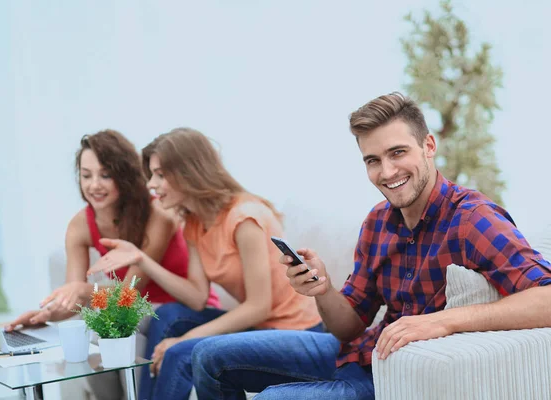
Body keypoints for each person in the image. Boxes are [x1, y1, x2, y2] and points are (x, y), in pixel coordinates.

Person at [189, 92, 551, 399]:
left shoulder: (473, 218)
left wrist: (444, 322)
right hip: (359, 350)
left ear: (428, 146)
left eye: (397, 153)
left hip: (390, 375)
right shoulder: (378, 222)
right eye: (373, 160)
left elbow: (546, 298)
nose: (387, 171)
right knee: (206, 356)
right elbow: (349, 325)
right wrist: (323, 289)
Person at [86, 127, 323, 400]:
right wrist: (142, 259)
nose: (151, 184)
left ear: (189, 172)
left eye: (160, 175)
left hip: (295, 333)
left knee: (180, 352)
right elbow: (197, 298)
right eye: (152, 175)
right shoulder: (195, 223)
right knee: (170, 314)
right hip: (258, 330)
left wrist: (184, 339)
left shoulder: (245, 218)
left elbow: (259, 307)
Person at [5, 129, 220, 400]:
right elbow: (75, 297)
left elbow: (129, 293)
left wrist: (84, 291)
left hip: (175, 308)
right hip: (133, 310)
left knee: (104, 321)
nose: (94, 185)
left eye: (105, 175)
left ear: (125, 175)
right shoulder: (80, 225)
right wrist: (45, 315)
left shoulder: (157, 215)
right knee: (92, 323)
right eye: (86, 175)